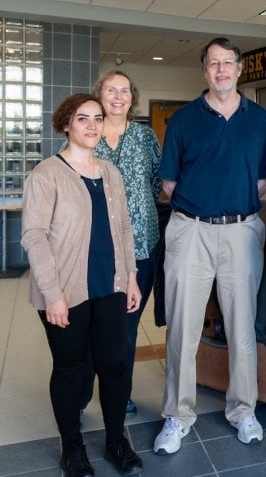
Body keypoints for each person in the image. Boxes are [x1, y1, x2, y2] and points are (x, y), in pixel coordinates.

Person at [153, 37, 266, 455]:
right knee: (183, 328)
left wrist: (231, 208)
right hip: (190, 229)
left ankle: (243, 410)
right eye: (213, 64)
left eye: (228, 63)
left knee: (242, 327)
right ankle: (178, 415)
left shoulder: (259, 119)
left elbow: (263, 180)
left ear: (240, 69)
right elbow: (169, 184)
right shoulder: (185, 119)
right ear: (204, 70)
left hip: (242, 231)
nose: (221, 70)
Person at [22, 93, 143, 477]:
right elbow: (35, 236)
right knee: (70, 369)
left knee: (115, 365)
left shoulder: (111, 173)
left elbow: (124, 227)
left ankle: (116, 440)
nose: (91, 125)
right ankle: (72, 448)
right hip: (65, 293)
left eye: (97, 118)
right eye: (81, 118)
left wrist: (132, 278)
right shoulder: (46, 174)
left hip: (110, 287)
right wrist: (53, 295)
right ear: (65, 125)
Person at [78, 69, 161, 419]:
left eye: (124, 90)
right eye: (110, 89)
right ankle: (80, 393)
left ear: (132, 97)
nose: (117, 96)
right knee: (90, 323)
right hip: (94, 248)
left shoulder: (145, 137)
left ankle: (119, 392)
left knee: (126, 327)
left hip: (142, 247)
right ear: (99, 94)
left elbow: (157, 182)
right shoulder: (86, 135)